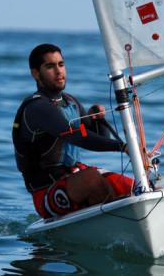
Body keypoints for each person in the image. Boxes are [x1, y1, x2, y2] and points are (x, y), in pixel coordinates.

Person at [12, 43, 133, 218]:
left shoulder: (70, 102)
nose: (58, 71)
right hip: (46, 193)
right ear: (35, 74)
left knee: (132, 187)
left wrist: (97, 121)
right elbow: (78, 137)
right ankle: (118, 220)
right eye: (50, 66)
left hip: (74, 176)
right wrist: (122, 147)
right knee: (91, 178)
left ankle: (127, 216)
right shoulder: (37, 108)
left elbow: (97, 137)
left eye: (61, 64)